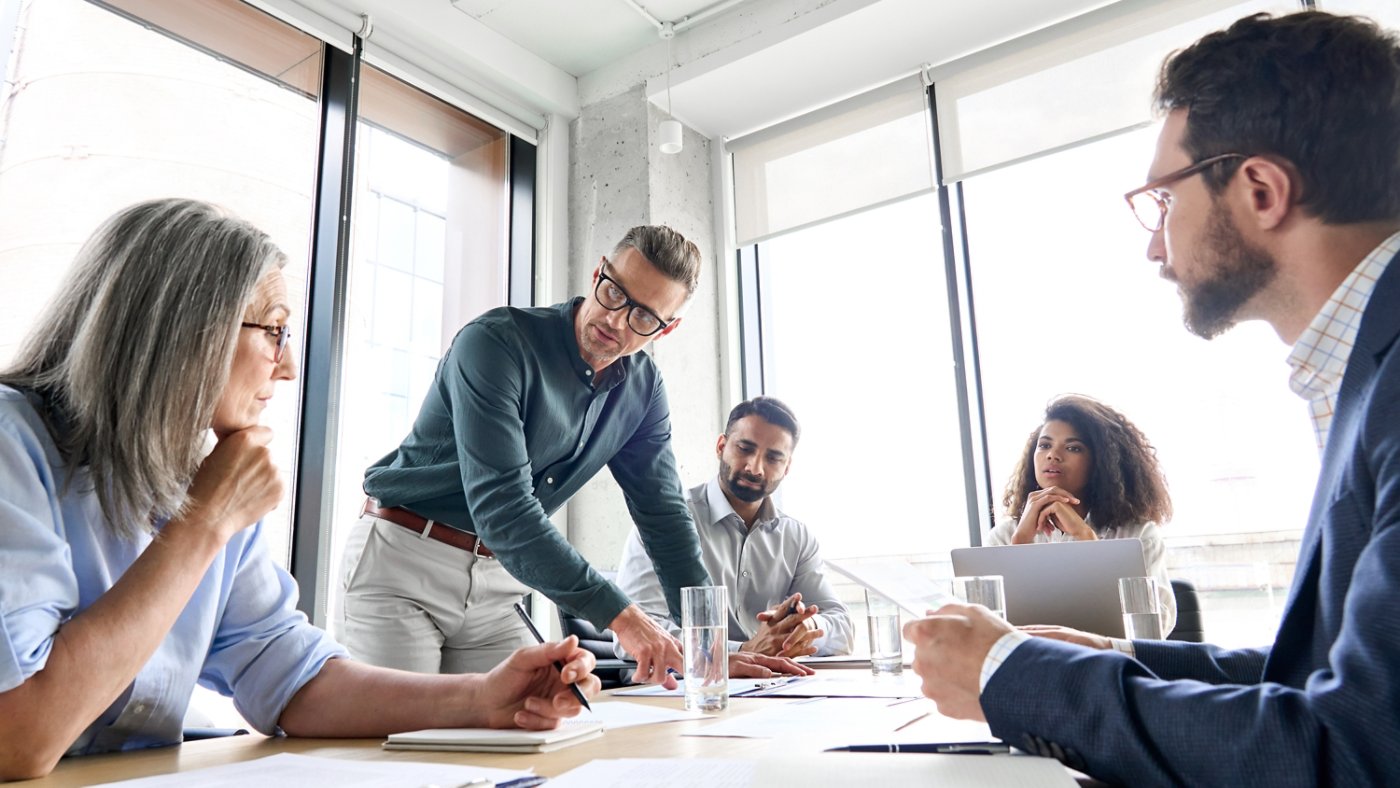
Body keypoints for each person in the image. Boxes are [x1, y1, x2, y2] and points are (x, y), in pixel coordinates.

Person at [904, 11, 1400, 785]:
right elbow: (1325, 679)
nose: (1153, 243)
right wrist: (1121, 654)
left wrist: (1009, 677)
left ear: (1261, 189)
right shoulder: (1364, 369)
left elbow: (1359, 752)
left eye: (1163, 202)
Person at [0, 199, 600, 781]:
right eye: (275, 332)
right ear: (183, 331)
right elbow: (19, 738)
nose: (287, 369)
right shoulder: (14, 446)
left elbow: (288, 675)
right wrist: (205, 524)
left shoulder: (209, 477)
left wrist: (482, 699)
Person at [341, 225, 802, 685]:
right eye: (614, 293)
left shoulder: (642, 389)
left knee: (535, 735)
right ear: (599, 272)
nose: (616, 321)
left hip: (497, 586)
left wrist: (711, 647)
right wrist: (623, 615)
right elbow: (505, 510)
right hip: (404, 563)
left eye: (644, 317)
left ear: (668, 328)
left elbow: (664, 518)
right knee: (400, 744)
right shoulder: (496, 344)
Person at [616, 396, 853, 659]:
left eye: (773, 458)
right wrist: (740, 652)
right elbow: (636, 632)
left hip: (769, 686)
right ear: (721, 446)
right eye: (744, 448)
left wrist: (806, 628)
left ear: (787, 467)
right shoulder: (663, 520)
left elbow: (842, 628)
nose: (755, 468)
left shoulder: (797, 537)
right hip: (682, 688)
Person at [990, 394, 1176, 633]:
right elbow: (989, 633)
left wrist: (1087, 541)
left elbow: (1153, 628)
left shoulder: (1137, 535)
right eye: (1045, 445)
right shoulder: (1005, 536)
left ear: (1101, 462)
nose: (1052, 455)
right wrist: (1019, 548)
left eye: (1073, 447)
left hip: (1107, 665)